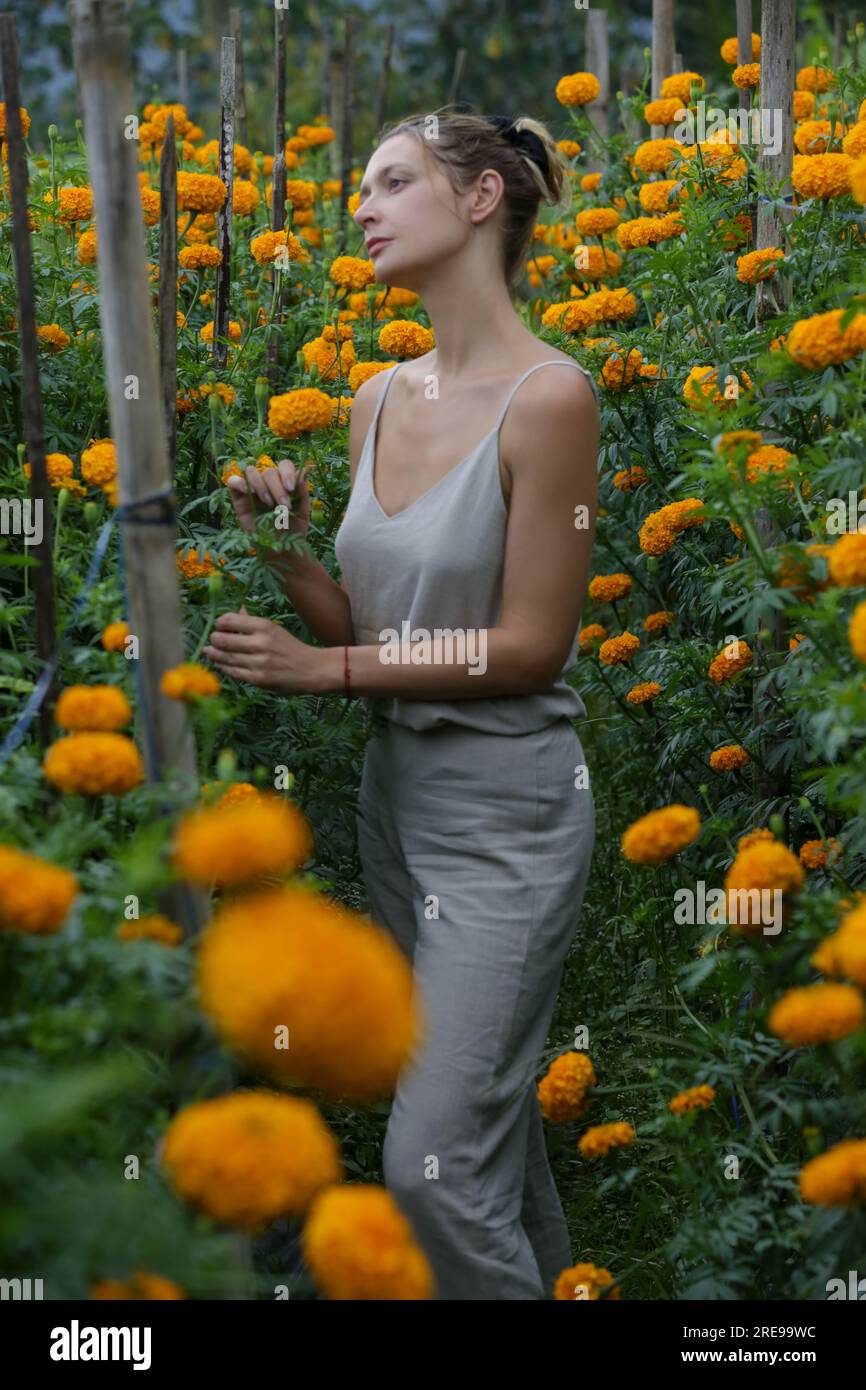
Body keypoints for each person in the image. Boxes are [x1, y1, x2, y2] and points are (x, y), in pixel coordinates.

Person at [205, 107, 600, 1300]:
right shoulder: (378, 395)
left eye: (389, 181)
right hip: (399, 806)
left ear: (481, 199)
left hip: (507, 815)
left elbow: (529, 646)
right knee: (487, 1140)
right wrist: (284, 554)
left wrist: (320, 671)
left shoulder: (551, 395)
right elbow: (368, 633)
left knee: (429, 1167)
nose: (359, 206)